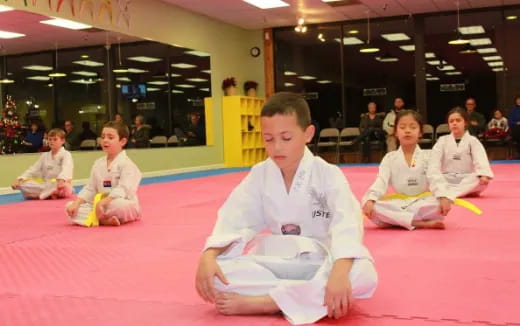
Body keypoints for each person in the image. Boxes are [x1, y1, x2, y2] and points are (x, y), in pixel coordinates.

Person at [195, 92, 377, 325]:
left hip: (324, 263)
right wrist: (208, 256)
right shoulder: (260, 175)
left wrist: (339, 274)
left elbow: (347, 225)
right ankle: (303, 298)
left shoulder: (327, 174)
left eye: (286, 138)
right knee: (217, 273)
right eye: (268, 139)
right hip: (279, 260)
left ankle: (267, 302)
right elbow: (235, 218)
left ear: (308, 134)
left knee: (363, 274)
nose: (277, 147)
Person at [361, 110, 452, 230]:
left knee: (439, 204)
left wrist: (443, 196)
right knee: (373, 208)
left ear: (420, 132)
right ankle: (418, 223)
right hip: (399, 203)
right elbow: (381, 181)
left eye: (413, 127)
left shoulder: (429, 156)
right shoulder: (390, 158)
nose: (407, 130)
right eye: (402, 127)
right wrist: (371, 199)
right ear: (396, 133)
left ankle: (397, 221)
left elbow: (435, 177)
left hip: (422, 202)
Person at [66, 121, 142, 227]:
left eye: (110, 137)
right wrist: (77, 203)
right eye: (103, 137)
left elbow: (124, 189)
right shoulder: (98, 163)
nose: (105, 140)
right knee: (70, 207)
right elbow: (90, 188)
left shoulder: (127, 165)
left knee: (121, 206)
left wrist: (103, 203)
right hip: (99, 204)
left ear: (122, 141)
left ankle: (97, 218)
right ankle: (103, 220)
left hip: (118, 202)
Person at [430, 107, 493, 198]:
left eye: (458, 120)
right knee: (426, 179)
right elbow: (434, 162)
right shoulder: (442, 140)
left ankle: (449, 193)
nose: (454, 123)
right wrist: (434, 176)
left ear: (465, 123)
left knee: (481, 181)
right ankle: (461, 192)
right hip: (447, 178)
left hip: (467, 179)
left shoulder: (472, 141)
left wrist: (483, 174)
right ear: (448, 124)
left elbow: (480, 159)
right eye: (451, 121)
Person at [12, 128, 74, 200]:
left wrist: (61, 180)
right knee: (23, 184)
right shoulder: (44, 156)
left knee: (65, 188)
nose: (51, 142)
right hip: (46, 185)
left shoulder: (66, 154)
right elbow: (33, 169)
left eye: (55, 139)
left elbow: (66, 169)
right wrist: (19, 179)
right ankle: (48, 194)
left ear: (63, 141)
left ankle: (39, 195)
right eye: (50, 139)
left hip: (60, 184)